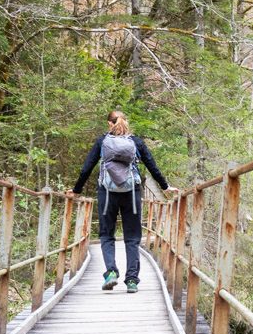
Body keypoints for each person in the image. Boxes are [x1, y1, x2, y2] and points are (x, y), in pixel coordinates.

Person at [72, 110, 178, 292]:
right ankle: (131, 281)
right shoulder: (135, 142)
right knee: (133, 237)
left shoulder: (102, 141)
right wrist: (165, 186)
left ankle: (111, 272)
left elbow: (86, 168)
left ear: (109, 124)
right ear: (125, 122)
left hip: (107, 193)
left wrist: (76, 190)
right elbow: (152, 165)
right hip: (132, 193)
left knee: (106, 235)